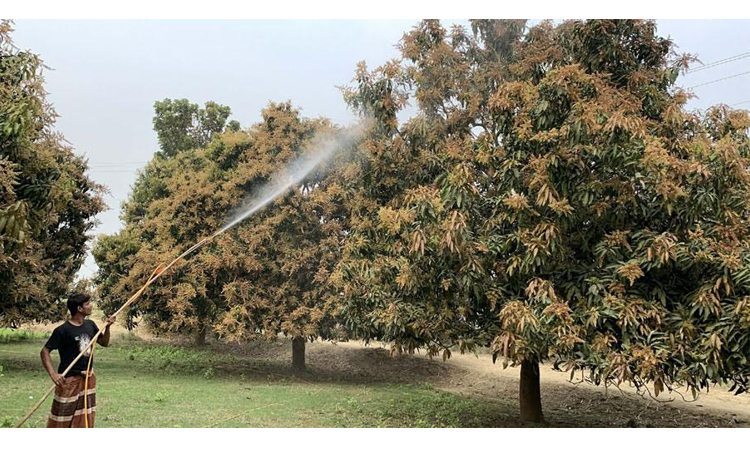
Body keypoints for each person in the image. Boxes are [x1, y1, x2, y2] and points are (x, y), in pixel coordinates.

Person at [40, 293, 115, 428]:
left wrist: (108, 326)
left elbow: (104, 342)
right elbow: (44, 351)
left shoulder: (90, 325)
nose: (91, 305)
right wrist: (53, 374)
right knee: (62, 417)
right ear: (80, 309)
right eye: (87, 304)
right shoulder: (63, 330)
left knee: (84, 416)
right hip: (68, 380)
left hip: (87, 378)